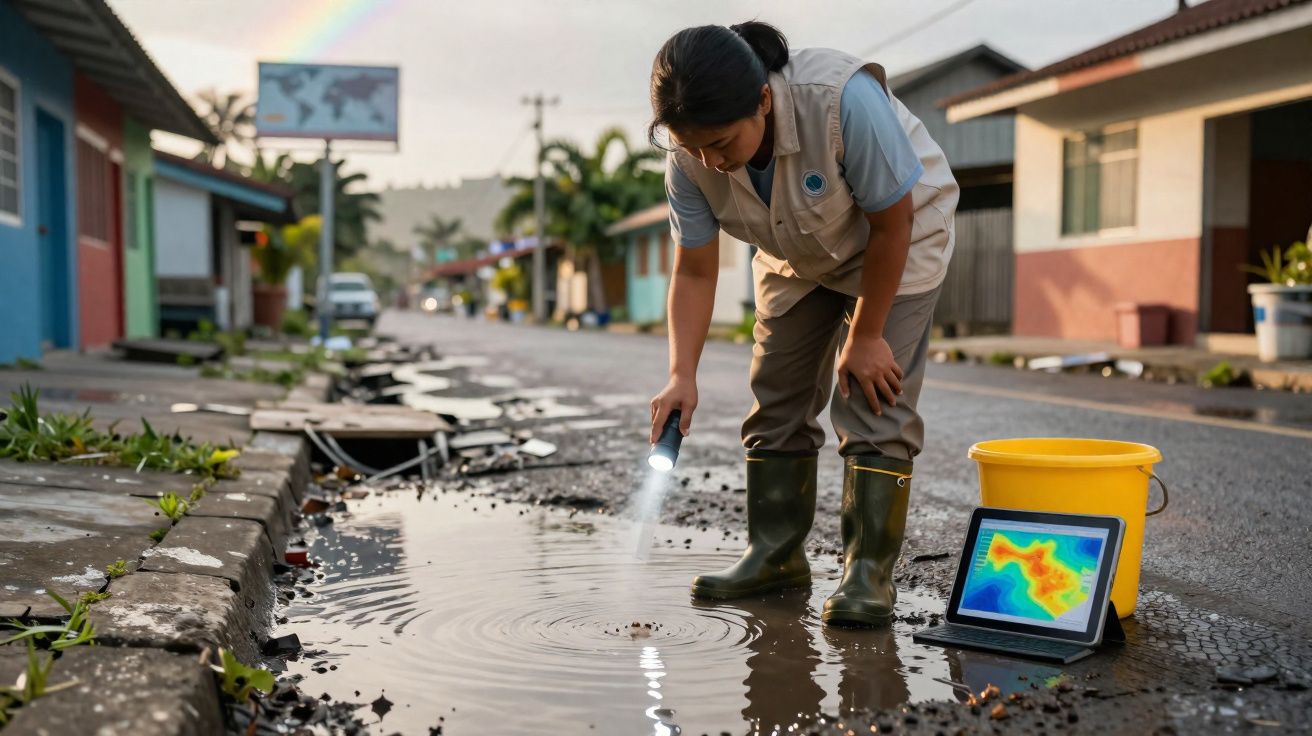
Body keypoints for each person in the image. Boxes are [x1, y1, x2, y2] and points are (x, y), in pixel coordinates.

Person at [646, 21, 958, 627]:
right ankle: (775, 554)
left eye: (721, 142)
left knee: (873, 398)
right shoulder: (689, 160)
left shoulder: (840, 101)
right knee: (776, 397)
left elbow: (893, 225)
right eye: (694, 147)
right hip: (797, 254)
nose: (711, 159)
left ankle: (867, 574)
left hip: (898, 238)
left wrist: (866, 336)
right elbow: (693, 273)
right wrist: (681, 374)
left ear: (762, 99)